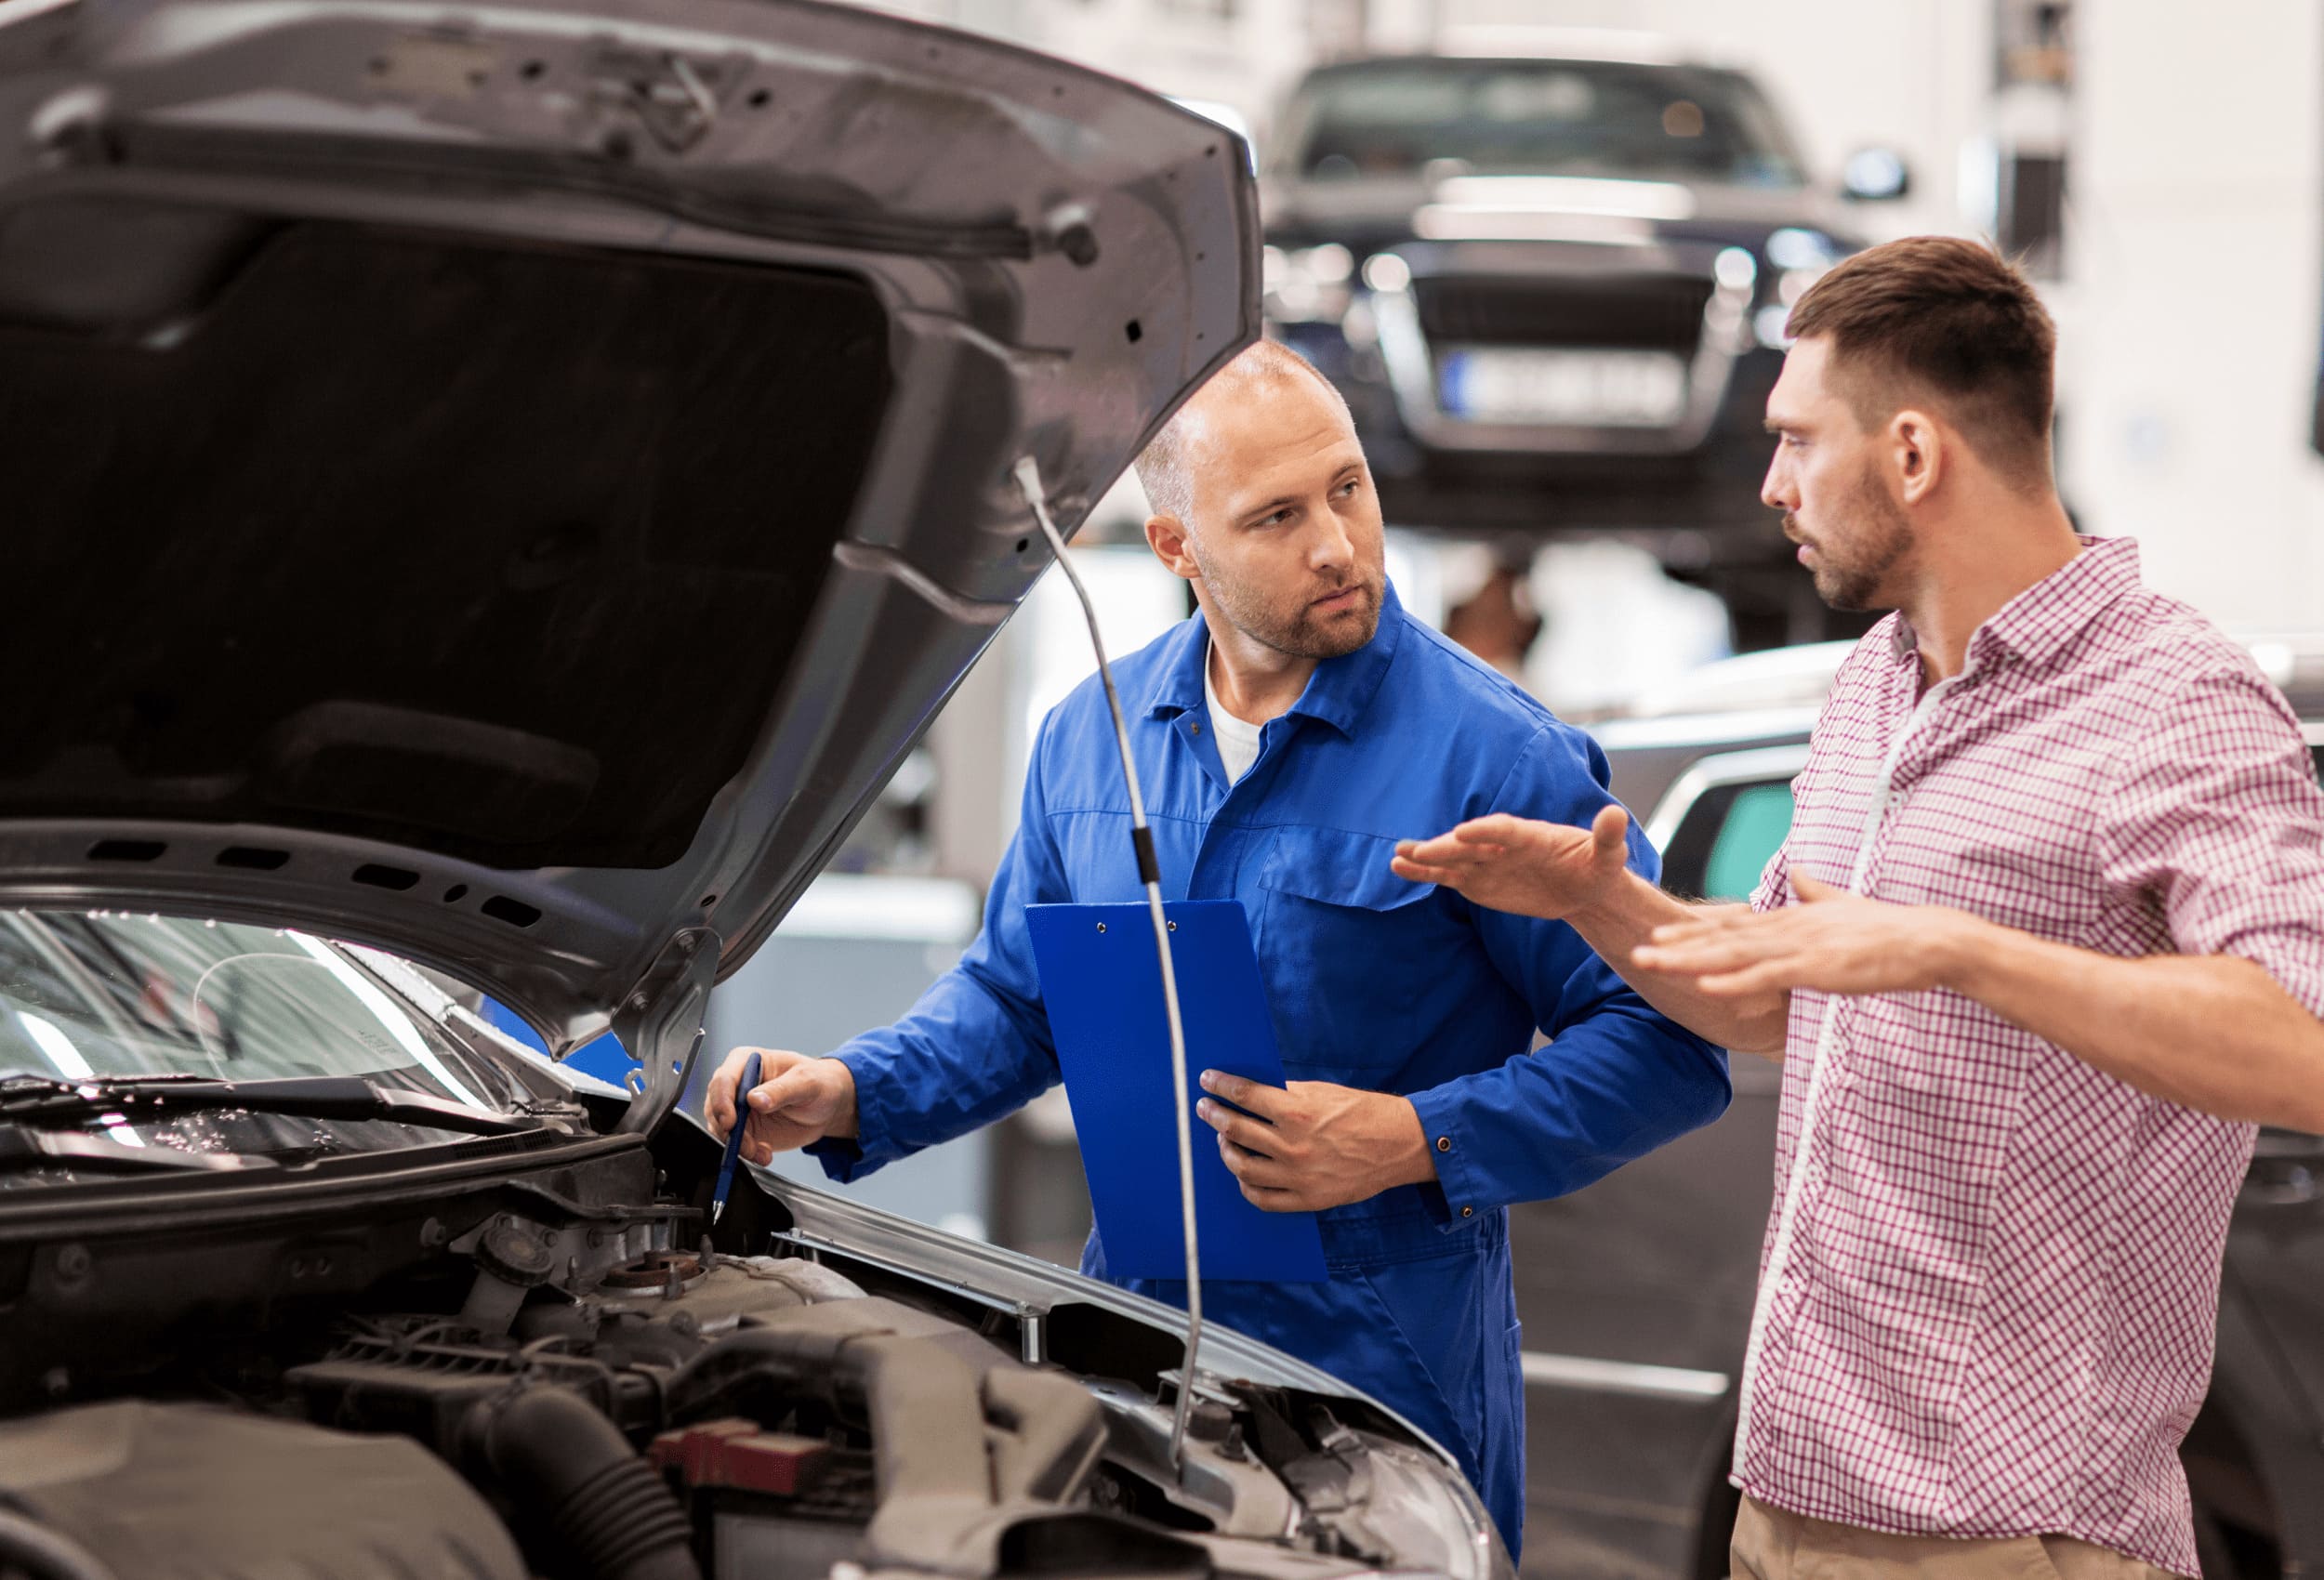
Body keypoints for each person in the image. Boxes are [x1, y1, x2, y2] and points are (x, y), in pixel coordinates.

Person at [1393, 236, 2324, 1579]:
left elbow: (2300, 1037)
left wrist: (1952, 949)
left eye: (1792, 440)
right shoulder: (1877, 687)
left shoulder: (2174, 702)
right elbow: (1770, 996)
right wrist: (1603, 904)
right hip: (1787, 1507)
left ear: (1911, 455)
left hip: (2009, 1539)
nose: (1770, 485)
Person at [706, 339, 1732, 1557]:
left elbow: (1671, 1042)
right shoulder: (1093, 737)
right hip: (1137, 1358)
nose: (1339, 544)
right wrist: (853, 1092)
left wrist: (1412, 1140)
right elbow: (1022, 1001)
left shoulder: (1494, 758)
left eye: (1350, 487)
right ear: (1179, 548)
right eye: (1279, 516)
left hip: (1389, 1393)